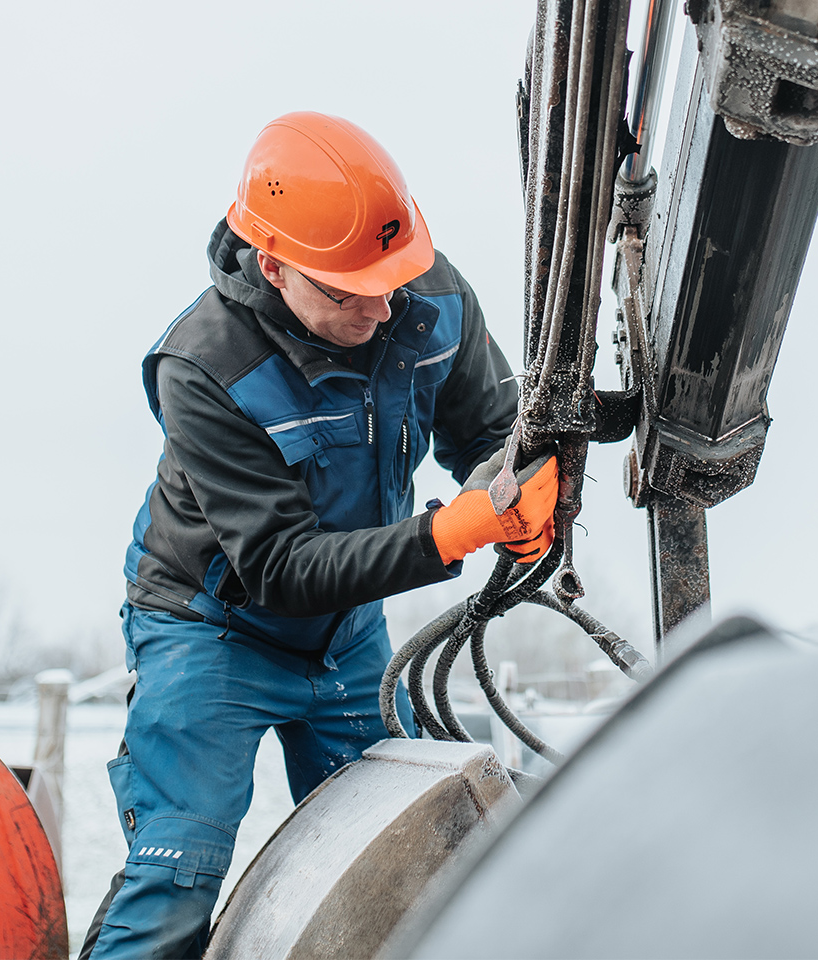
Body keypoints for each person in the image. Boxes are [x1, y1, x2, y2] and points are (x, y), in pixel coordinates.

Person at [81, 112, 558, 959]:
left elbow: (490, 427)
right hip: (212, 631)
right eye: (348, 291)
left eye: (393, 276)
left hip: (346, 635)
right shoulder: (203, 366)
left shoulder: (429, 300)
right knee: (175, 881)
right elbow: (279, 566)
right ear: (273, 265)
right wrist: (446, 532)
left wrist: (518, 485)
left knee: (408, 859)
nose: (381, 306)